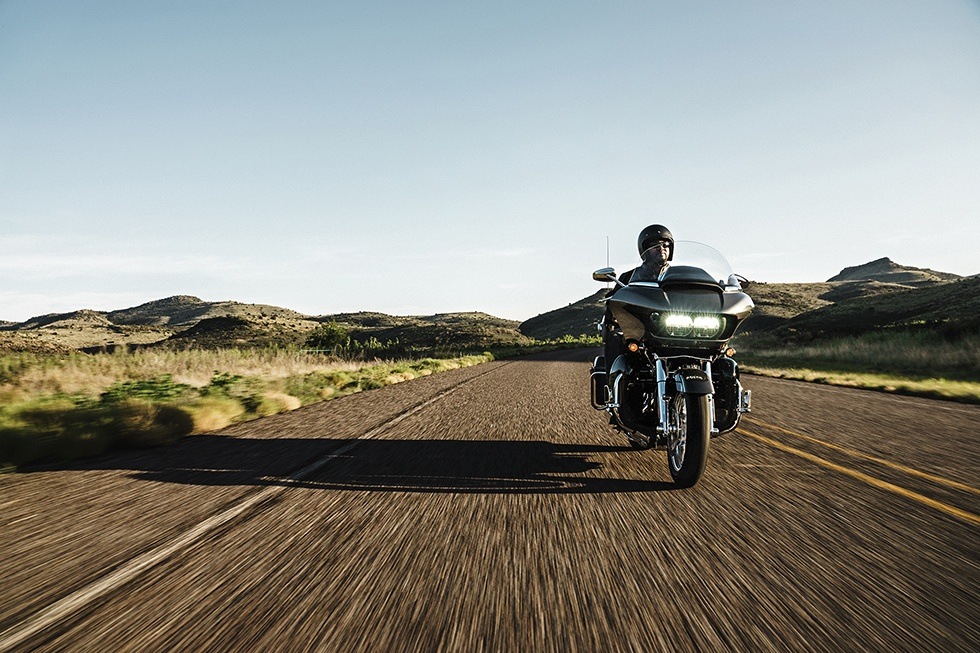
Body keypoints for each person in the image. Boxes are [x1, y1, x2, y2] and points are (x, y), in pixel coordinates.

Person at [602, 224, 674, 368]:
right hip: (639, 329)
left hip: (674, 329)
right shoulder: (629, 277)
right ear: (644, 250)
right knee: (615, 337)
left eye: (665, 244)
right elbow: (614, 301)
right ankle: (614, 379)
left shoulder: (678, 277)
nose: (661, 248)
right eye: (655, 245)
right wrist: (613, 299)